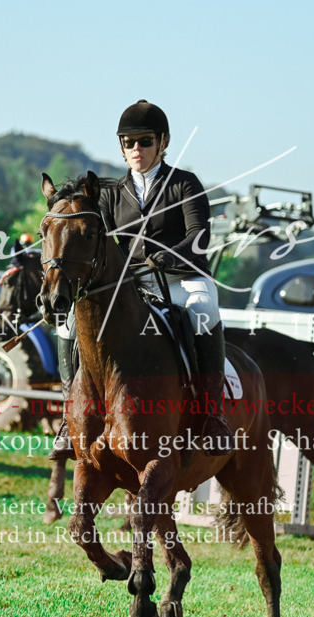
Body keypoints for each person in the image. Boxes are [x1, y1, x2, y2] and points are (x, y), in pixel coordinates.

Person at [47, 99, 233, 460]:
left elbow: (199, 237)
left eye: (145, 141)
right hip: (134, 283)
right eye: (129, 142)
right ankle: (71, 419)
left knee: (204, 310)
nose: (137, 149)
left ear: (162, 143)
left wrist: (169, 255)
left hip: (183, 278)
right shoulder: (111, 193)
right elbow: (99, 240)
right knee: (68, 323)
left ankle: (212, 416)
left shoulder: (184, 184)